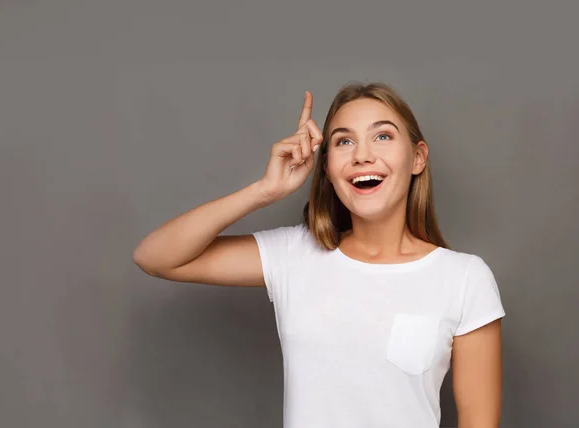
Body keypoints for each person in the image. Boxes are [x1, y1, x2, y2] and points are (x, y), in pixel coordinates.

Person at [132, 82, 506, 428]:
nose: (363, 155)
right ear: (327, 168)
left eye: (382, 136)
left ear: (417, 158)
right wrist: (264, 191)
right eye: (344, 142)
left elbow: (478, 421)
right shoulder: (294, 255)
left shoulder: (464, 279)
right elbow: (156, 256)